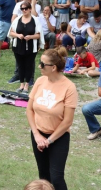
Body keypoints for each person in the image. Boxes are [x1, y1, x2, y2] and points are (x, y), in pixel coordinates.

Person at [26, 49, 78, 190]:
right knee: (43, 176)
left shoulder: (69, 87)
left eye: (42, 64)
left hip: (58, 137)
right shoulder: (40, 81)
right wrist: (37, 135)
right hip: (38, 135)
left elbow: (67, 121)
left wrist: (49, 141)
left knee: (56, 178)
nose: (39, 67)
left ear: (53, 67)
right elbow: (29, 109)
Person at [10, 0, 44, 93]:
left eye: (25, 9)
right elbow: (11, 32)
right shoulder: (17, 20)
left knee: (29, 65)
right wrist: (18, 35)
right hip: (18, 46)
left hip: (31, 46)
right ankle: (21, 84)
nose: (23, 10)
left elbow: (39, 35)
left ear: (30, 9)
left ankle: (27, 84)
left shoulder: (35, 20)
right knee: (20, 65)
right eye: (22, 9)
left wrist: (31, 37)